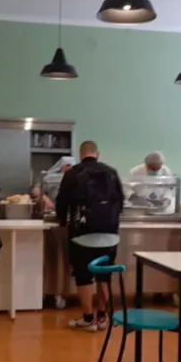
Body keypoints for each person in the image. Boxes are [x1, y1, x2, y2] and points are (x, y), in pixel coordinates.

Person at [56, 141, 124, 332]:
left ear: (81, 153)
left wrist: (63, 221)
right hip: (109, 233)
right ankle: (102, 317)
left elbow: (62, 203)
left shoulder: (73, 173)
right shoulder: (111, 172)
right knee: (104, 274)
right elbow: (120, 202)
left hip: (82, 234)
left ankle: (88, 319)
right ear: (97, 153)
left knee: (83, 275)